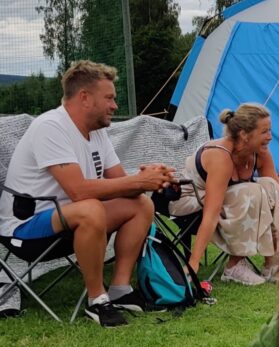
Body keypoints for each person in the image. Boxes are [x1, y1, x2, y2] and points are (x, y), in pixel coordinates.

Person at [0, 60, 173, 326]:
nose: (115, 106)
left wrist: (150, 178)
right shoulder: (51, 127)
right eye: (109, 98)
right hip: (25, 229)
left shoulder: (97, 132)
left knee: (141, 205)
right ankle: (97, 300)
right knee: (90, 207)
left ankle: (120, 290)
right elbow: (79, 191)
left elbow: (122, 184)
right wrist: (139, 180)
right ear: (84, 97)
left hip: (72, 220)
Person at [171, 103, 279, 286]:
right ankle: (234, 267)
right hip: (191, 204)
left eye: (270, 130)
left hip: (226, 203)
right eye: (264, 132)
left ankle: (272, 263)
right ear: (244, 135)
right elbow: (211, 213)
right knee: (252, 191)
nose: (270, 137)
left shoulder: (260, 153)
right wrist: (193, 263)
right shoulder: (221, 157)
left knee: (270, 186)